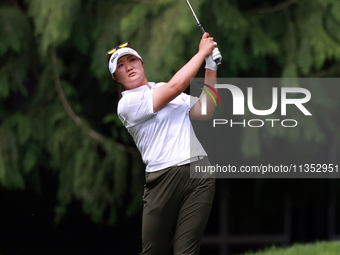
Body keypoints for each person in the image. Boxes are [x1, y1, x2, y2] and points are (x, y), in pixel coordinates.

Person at [107, 32, 222, 255]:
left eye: (132, 60)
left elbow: (206, 110)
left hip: (200, 173)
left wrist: (211, 67)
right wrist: (201, 53)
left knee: (186, 252)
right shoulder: (127, 104)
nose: (128, 66)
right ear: (116, 77)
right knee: (153, 251)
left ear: (141, 62)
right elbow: (175, 87)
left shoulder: (163, 88)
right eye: (120, 65)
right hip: (162, 179)